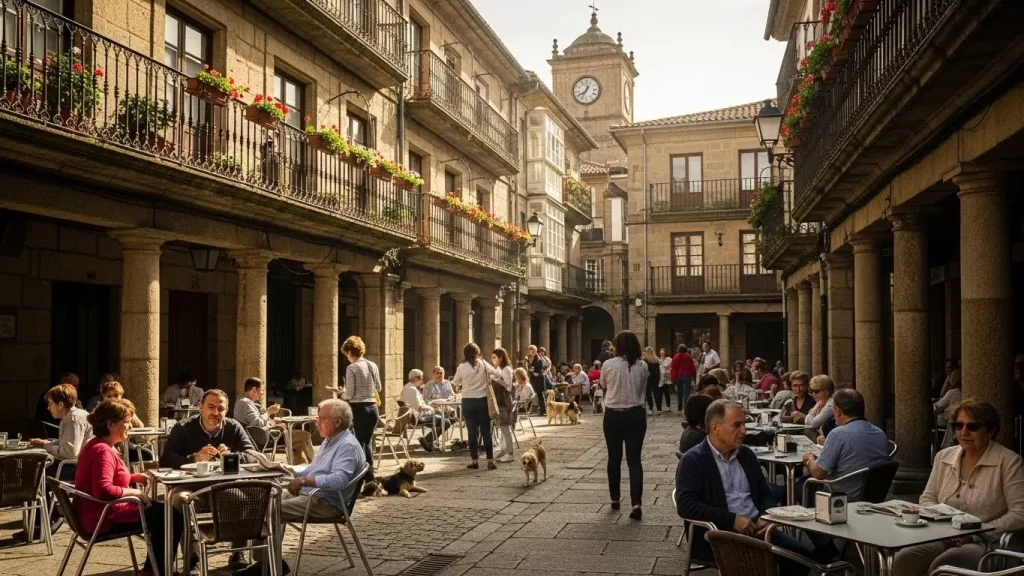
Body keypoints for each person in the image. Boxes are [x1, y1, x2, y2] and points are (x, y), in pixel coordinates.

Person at [675, 400, 816, 570]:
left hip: (757, 528)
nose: (744, 430)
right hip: (720, 534)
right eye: (737, 425)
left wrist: (765, 515)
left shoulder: (746, 455)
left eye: (744, 424)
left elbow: (765, 492)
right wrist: (732, 519)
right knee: (757, 564)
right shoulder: (694, 460)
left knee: (801, 558)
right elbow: (686, 505)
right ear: (715, 428)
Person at [893, 399, 1024, 574]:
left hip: (986, 541)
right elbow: (927, 498)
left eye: (973, 427)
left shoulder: (1009, 462)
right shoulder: (943, 457)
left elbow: (1019, 513)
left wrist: (976, 533)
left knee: (945, 566)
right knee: (904, 558)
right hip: (941, 535)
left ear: (991, 431)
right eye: (958, 425)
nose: (963, 432)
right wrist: (943, 528)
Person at [246, 398, 367, 576]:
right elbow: (313, 469)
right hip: (313, 495)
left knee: (268, 510)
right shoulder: (330, 440)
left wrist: (304, 481)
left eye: (321, 418)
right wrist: (286, 469)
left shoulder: (346, 446)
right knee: (264, 499)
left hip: (327, 503)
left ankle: (269, 565)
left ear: (337, 422)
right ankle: (266, 562)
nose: (316, 422)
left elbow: (339, 480)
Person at [75, 399, 184, 576]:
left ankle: (156, 569)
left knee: (165, 513)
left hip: (95, 513)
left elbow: (106, 480)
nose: (130, 427)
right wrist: (135, 492)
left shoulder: (97, 445)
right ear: (110, 424)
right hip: (104, 518)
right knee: (172, 517)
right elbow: (103, 489)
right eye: (126, 422)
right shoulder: (103, 451)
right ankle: (155, 572)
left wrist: (133, 477)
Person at [799, 389, 890, 502]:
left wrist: (809, 459)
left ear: (837, 411)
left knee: (800, 485)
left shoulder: (838, 434)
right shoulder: (880, 433)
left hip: (840, 496)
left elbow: (818, 474)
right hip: (874, 496)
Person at [600, 330, 648, 520]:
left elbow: (603, 385)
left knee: (614, 458)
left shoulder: (608, 364)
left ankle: (614, 498)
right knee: (634, 460)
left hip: (613, 415)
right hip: (635, 414)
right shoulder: (643, 366)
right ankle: (636, 503)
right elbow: (642, 389)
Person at [160, 389, 255, 469]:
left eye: (221, 409)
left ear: (226, 410)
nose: (215, 413)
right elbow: (165, 460)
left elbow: (253, 455)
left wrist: (231, 457)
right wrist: (194, 459)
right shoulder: (183, 428)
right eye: (211, 407)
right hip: (190, 484)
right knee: (182, 493)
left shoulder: (234, 427)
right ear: (200, 407)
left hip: (225, 483)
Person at [235, 377, 314, 464]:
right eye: (262, 390)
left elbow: (257, 421)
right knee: (305, 435)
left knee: (300, 443)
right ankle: (316, 465)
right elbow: (257, 423)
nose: (262, 393)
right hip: (266, 438)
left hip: (265, 435)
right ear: (254, 390)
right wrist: (269, 412)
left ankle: (300, 469)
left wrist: (273, 422)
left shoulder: (246, 402)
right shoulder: (245, 403)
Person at [340, 335, 380, 476]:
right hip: (373, 408)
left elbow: (350, 394)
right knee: (367, 443)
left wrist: (341, 393)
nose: (347, 357)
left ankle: (362, 476)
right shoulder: (372, 365)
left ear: (350, 352)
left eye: (346, 354)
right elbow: (378, 388)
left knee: (359, 443)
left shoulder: (352, 368)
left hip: (359, 409)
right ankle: (369, 476)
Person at [454, 343, 498, 470]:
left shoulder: (462, 367)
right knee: (486, 431)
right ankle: (490, 460)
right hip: (482, 400)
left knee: (472, 432)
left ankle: (474, 460)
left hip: (467, 400)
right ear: (478, 352)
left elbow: (456, 382)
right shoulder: (483, 364)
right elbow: (497, 374)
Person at [401, 369, 448, 453]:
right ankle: (428, 440)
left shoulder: (406, 387)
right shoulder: (412, 390)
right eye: (421, 378)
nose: (421, 381)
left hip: (411, 416)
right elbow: (419, 407)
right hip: (417, 417)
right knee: (445, 421)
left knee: (441, 416)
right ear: (416, 379)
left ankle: (429, 441)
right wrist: (432, 409)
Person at [490, 349, 515, 463]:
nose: (493, 360)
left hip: (504, 402)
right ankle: (504, 451)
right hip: (500, 401)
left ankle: (510, 453)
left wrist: (495, 378)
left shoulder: (506, 369)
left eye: (494, 357)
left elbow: (508, 387)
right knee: (502, 428)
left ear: (501, 358)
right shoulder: (500, 369)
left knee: (505, 428)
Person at [804, 374, 836, 440]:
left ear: (826, 391)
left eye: (816, 391)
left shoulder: (830, 404)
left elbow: (813, 423)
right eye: (812, 391)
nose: (813, 394)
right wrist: (816, 406)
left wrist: (816, 406)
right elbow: (807, 421)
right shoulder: (821, 402)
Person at [670, 344, 696, 412]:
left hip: (678, 376)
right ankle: (685, 407)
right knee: (686, 392)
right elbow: (692, 367)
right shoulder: (688, 356)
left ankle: (679, 406)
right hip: (687, 376)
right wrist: (693, 375)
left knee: (679, 392)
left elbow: (673, 368)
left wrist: (673, 378)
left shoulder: (675, 356)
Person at [642, 347, 663, 415]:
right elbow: (658, 370)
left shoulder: (645, 360)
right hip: (656, 377)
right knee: (656, 393)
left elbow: (644, 370)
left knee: (649, 394)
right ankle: (659, 409)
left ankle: (651, 409)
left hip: (648, 377)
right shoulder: (656, 359)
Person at [527, 345, 546, 417]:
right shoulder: (530, 358)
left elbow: (538, 368)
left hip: (538, 378)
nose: (532, 352)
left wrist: (533, 369)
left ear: (535, 351)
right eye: (530, 351)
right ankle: (536, 409)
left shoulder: (538, 358)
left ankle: (542, 410)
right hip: (533, 378)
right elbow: (529, 367)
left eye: (533, 351)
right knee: (535, 394)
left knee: (540, 394)